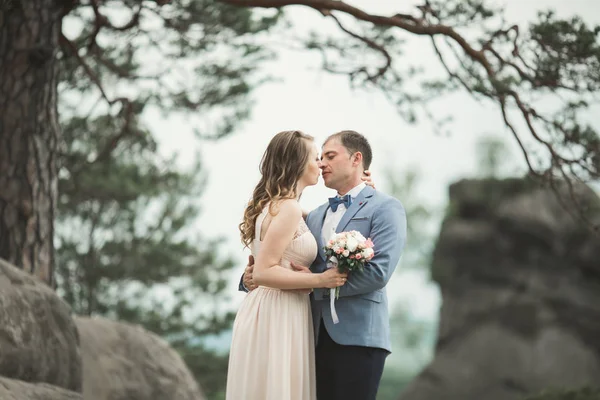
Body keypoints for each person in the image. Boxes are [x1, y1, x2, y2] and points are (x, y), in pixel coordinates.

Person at [242, 130, 407, 400]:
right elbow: (284, 254)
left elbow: (378, 273)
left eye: (329, 156)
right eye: (319, 157)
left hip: (359, 337)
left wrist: (316, 285)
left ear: (356, 159)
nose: (321, 164)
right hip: (309, 336)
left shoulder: (386, 207)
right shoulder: (315, 215)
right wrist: (250, 277)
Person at [226, 130, 349, 400]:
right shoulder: (289, 209)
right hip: (278, 311)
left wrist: (365, 190)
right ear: (296, 163)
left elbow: (325, 216)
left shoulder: (284, 206)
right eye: (315, 157)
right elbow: (264, 271)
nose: (320, 164)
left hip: (271, 308)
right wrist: (321, 280)